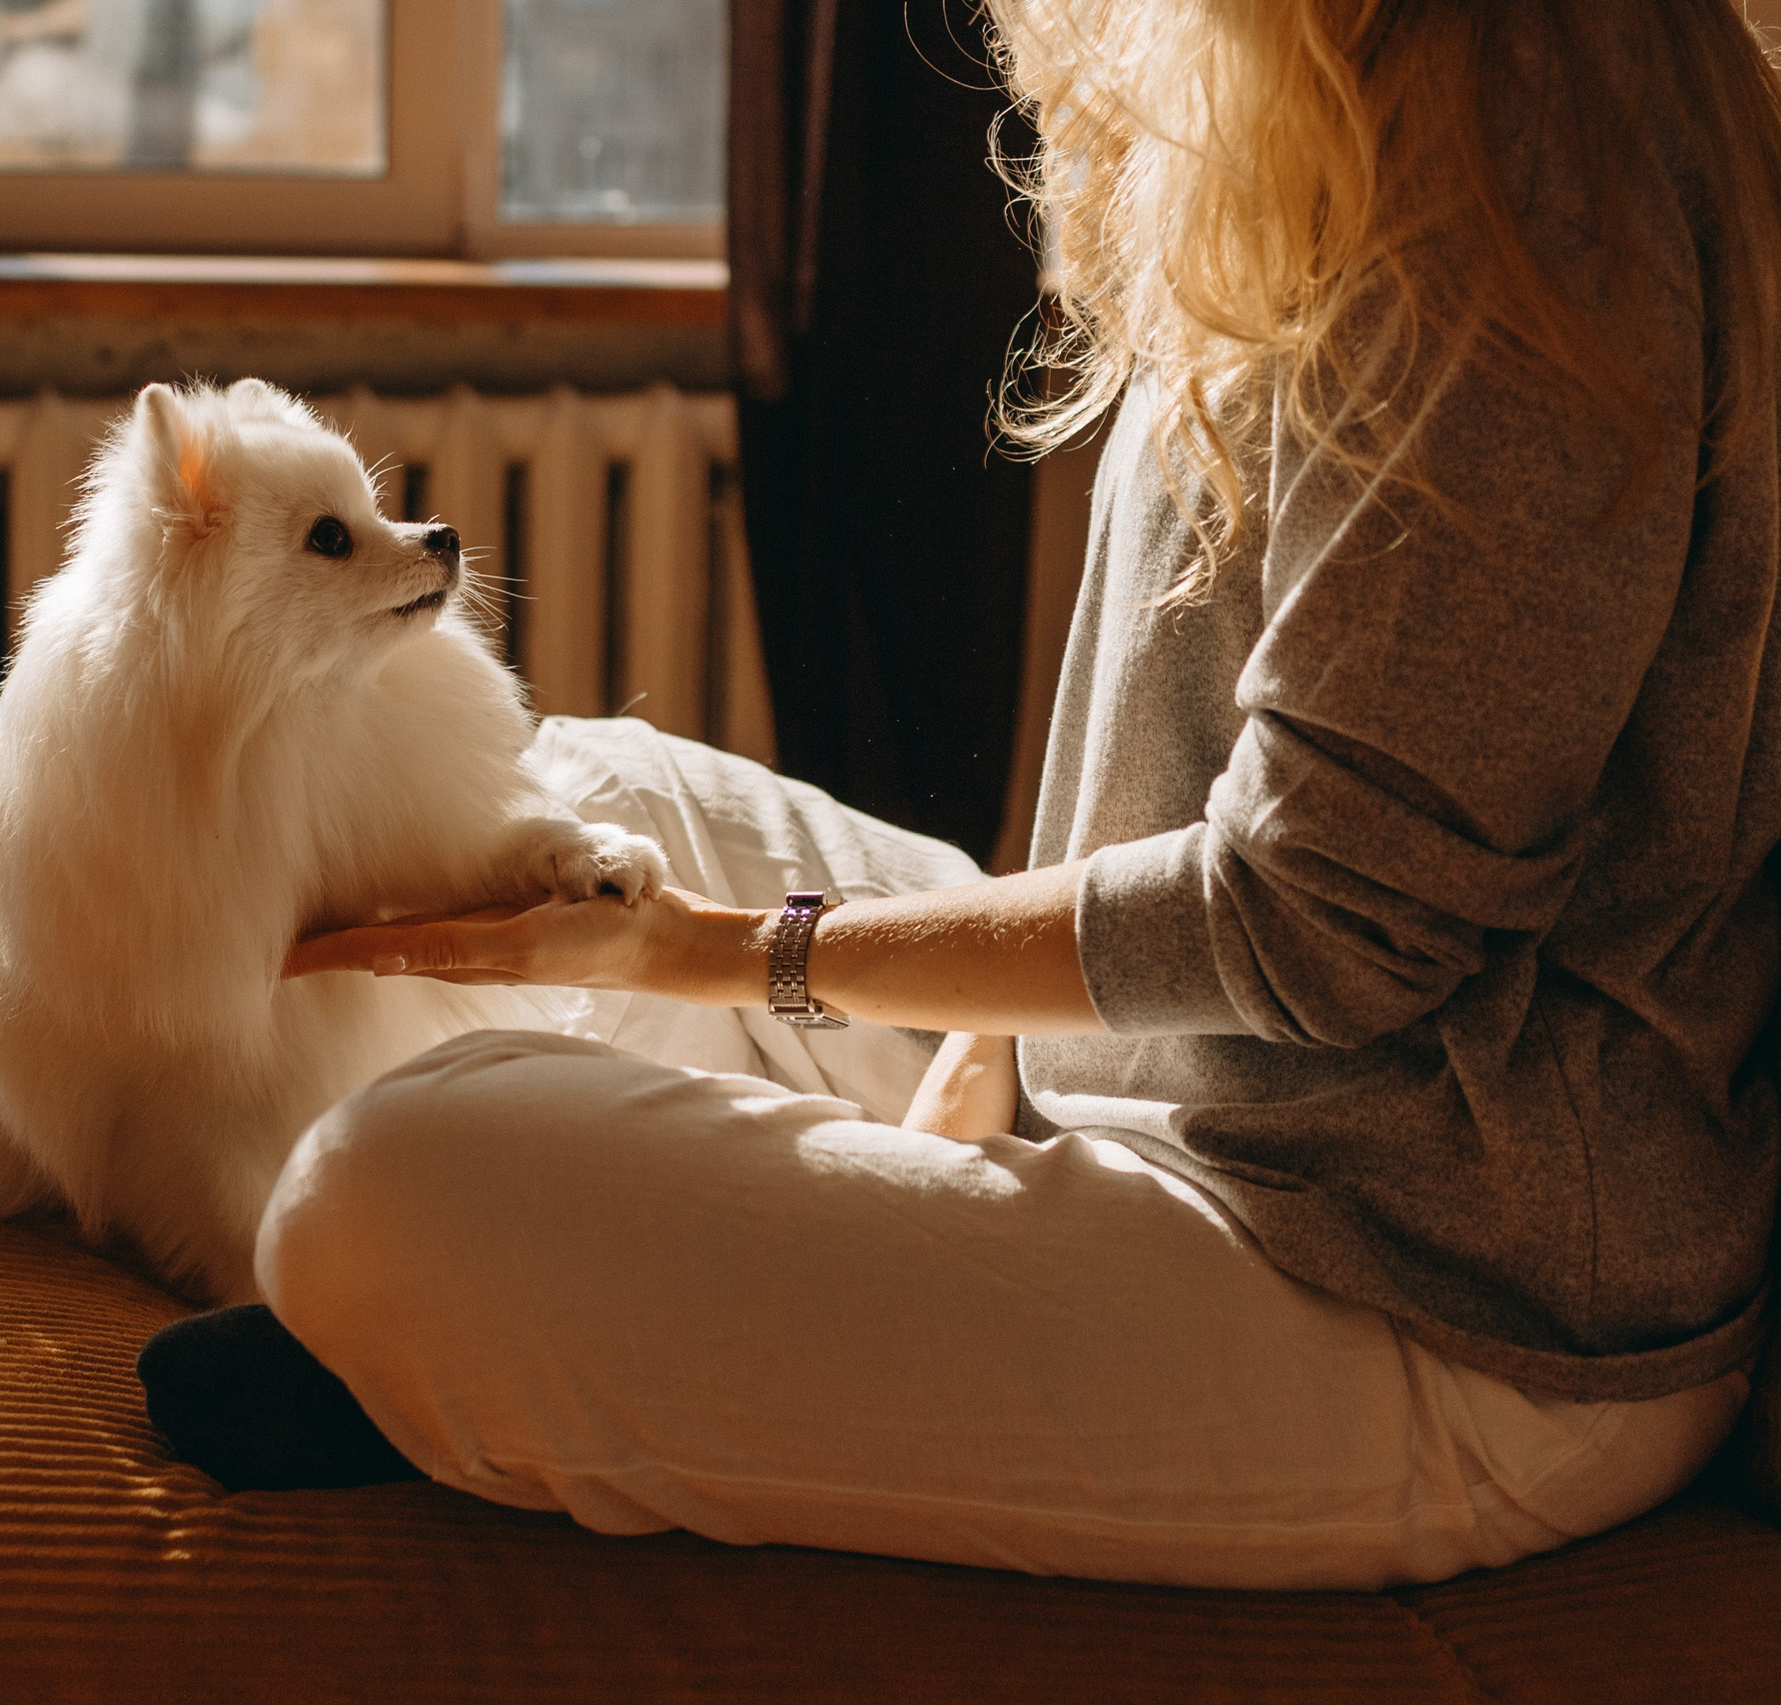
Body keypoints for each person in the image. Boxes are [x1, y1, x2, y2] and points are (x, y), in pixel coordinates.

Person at [139, 0, 1781, 1589]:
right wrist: (987, 1032)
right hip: (1210, 1089)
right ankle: (712, 1232)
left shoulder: (1528, 176)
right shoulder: (1348, 85)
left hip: (1434, 1296)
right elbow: (1189, 795)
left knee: (390, 1191)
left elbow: (1330, 924)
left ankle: (516, 1286)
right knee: (594, 794)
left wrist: (742, 954)